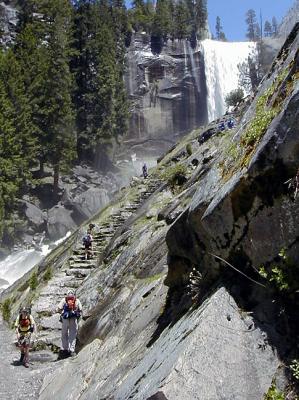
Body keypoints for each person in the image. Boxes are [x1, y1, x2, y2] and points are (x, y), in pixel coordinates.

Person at [57, 291, 82, 357]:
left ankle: (65, 349)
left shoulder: (64, 300)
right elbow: (80, 309)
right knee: (73, 334)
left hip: (65, 319)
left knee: (64, 334)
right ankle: (71, 350)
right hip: (73, 319)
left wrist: (63, 313)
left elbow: (58, 309)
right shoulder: (77, 300)